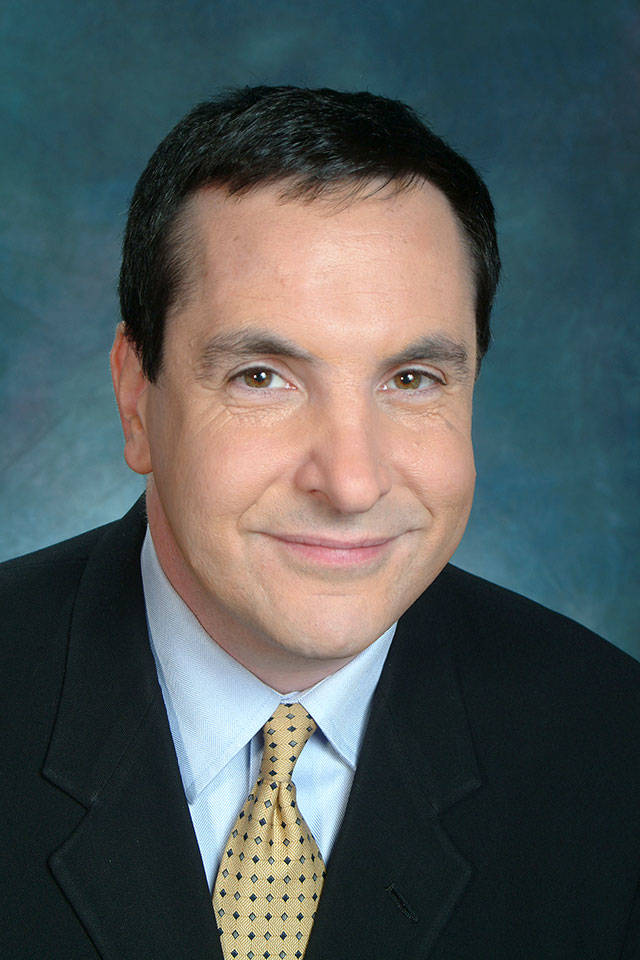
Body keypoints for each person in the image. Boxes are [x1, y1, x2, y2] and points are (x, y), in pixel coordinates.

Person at [1, 86, 639, 960]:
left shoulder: (612, 751)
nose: (350, 482)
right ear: (135, 396)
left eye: (412, 380)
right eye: (262, 376)